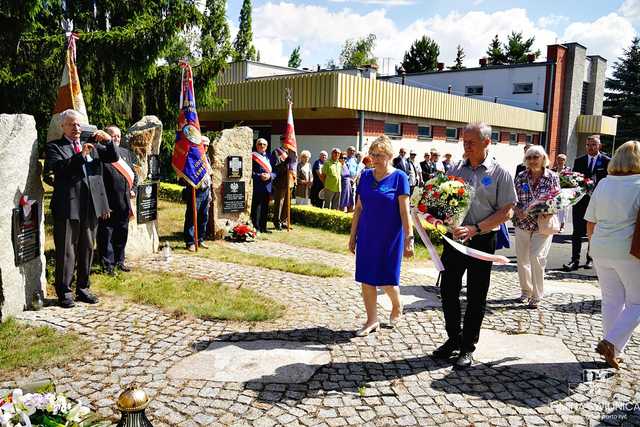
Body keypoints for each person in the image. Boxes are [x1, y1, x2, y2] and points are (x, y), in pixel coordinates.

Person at [432, 122, 517, 369]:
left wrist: (475, 228)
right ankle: (454, 339)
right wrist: (442, 216)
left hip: (481, 240)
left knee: (476, 296)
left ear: (487, 143)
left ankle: (467, 347)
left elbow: (507, 211)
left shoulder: (500, 173)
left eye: (471, 142)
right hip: (454, 240)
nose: (465, 146)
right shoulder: (456, 168)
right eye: (464, 141)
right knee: (448, 291)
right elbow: (445, 200)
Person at [45, 109, 119, 308]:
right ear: (63, 127)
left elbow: (112, 158)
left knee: (87, 247)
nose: (76, 128)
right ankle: (64, 291)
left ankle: (83, 288)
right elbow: (58, 169)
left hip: (90, 204)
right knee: (66, 250)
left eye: (78, 124)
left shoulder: (93, 146)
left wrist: (108, 141)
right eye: (71, 124)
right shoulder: (55, 147)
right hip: (68, 204)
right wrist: (80, 155)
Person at [349, 135, 414, 336]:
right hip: (367, 235)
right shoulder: (366, 176)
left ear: (389, 156)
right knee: (367, 279)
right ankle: (371, 320)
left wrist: (408, 240)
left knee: (387, 279)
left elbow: (405, 212)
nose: (375, 158)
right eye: (372, 154)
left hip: (390, 238)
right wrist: (352, 236)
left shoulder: (399, 177)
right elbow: (358, 208)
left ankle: (397, 304)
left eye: (379, 155)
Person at [585, 140, 640, 369]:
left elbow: (590, 221)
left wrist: (593, 245)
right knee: (637, 302)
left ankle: (613, 349)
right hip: (628, 250)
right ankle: (611, 343)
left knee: (611, 300)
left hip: (600, 248)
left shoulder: (604, 184)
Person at [513, 146, 560, 308]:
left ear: (543, 158)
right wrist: (517, 210)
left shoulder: (552, 177)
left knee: (536, 257)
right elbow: (513, 198)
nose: (533, 160)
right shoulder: (521, 176)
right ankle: (526, 291)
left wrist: (549, 211)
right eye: (530, 157)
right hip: (523, 223)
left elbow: (558, 200)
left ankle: (537, 295)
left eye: (536, 157)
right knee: (522, 259)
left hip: (542, 224)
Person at [564, 135, 610, 271]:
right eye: (588, 145)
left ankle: (590, 258)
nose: (591, 147)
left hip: (598, 202)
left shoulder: (607, 161)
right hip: (581, 202)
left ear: (599, 146)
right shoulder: (579, 161)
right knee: (577, 231)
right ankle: (574, 260)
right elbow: (574, 180)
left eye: (594, 145)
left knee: (593, 231)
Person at [97, 125, 138, 275]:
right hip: (108, 201)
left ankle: (120, 261)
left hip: (124, 201)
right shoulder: (100, 152)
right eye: (113, 136)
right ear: (106, 137)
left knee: (122, 232)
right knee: (106, 234)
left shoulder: (125, 153)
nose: (116, 138)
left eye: (118, 136)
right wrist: (102, 204)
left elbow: (134, 175)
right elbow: (98, 180)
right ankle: (107, 265)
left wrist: (133, 189)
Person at [182, 136, 213, 251]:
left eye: (207, 146)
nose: (205, 148)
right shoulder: (193, 158)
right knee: (192, 216)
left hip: (206, 190)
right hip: (196, 190)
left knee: (204, 216)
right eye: (203, 145)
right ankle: (190, 241)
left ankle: (200, 239)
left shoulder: (207, 157)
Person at [251, 138, 275, 233]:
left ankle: (263, 227)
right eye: (260, 144)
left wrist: (270, 176)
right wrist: (259, 176)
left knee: (265, 207)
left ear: (266, 146)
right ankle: (255, 227)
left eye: (264, 144)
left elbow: (275, 172)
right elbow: (249, 171)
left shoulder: (270, 157)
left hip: (267, 185)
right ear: (256, 145)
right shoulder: (252, 156)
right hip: (257, 185)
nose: (262, 146)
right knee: (256, 208)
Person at [271, 139, 296, 230]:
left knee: (287, 203)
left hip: (290, 180)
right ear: (282, 141)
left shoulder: (291, 153)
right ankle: (277, 222)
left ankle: (284, 221)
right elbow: (276, 168)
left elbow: (293, 166)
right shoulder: (276, 152)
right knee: (279, 202)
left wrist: (294, 177)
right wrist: (286, 162)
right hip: (281, 181)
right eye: (286, 141)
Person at [552, 153, 571, 230]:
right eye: (558, 159)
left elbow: (570, 181)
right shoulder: (553, 170)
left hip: (565, 192)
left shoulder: (568, 170)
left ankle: (562, 225)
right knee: (555, 209)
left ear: (565, 161)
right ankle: (556, 225)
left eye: (562, 160)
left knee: (564, 210)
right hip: (555, 193)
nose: (560, 161)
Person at [344, 146, 359, 211]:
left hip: (353, 182)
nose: (352, 152)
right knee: (344, 197)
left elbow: (357, 172)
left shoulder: (355, 160)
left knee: (351, 197)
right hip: (345, 181)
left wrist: (354, 179)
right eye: (350, 150)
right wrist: (349, 179)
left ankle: (349, 212)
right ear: (347, 151)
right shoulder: (344, 159)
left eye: (353, 151)